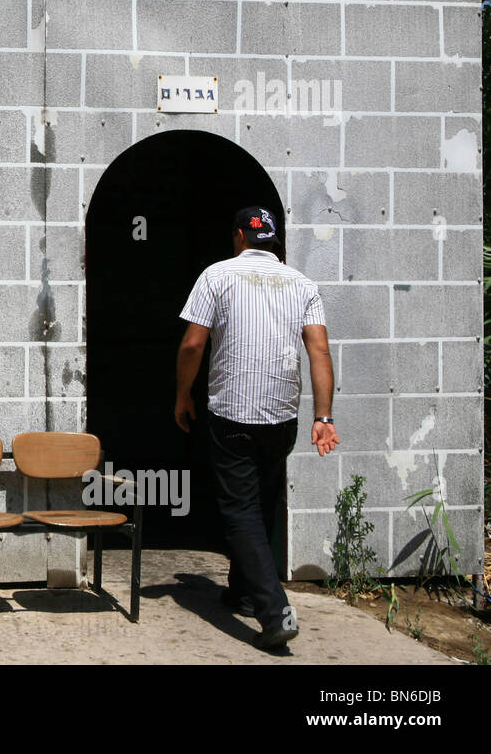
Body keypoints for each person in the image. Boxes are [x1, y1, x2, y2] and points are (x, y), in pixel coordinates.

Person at [174, 206, 339, 651]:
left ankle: (275, 613)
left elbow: (193, 343)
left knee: (241, 511)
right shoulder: (302, 284)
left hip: (233, 415)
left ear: (239, 238)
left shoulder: (217, 276)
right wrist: (323, 418)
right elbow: (319, 352)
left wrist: (182, 394)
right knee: (259, 501)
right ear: (274, 241)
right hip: (282, 418)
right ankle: (241, 591)